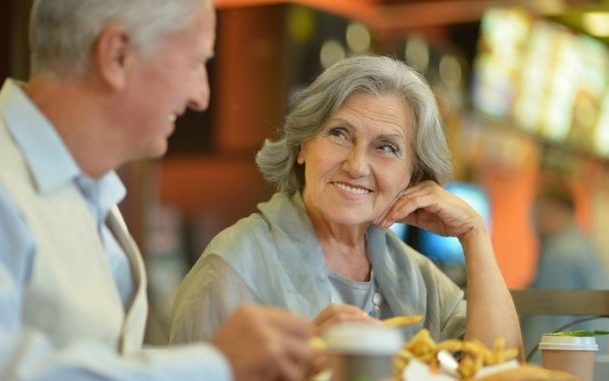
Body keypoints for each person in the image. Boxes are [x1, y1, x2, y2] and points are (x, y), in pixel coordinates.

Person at [0, 1, 314, 380]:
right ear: (117, 56)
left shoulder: (92, 193)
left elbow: (97, 358)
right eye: (196, 62)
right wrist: (215, 365)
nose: (201, 96)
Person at [170, 55, 523, 355]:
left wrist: (474, 234)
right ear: (303, 146)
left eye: (386, 147)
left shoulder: (416, 276)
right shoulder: (233, 265)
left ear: (414, 177)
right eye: (339, 134)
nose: (356, 165)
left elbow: (500, 369)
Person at [522, 181, 609, 360]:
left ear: (548, 210)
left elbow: (547, 332)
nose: (533, 224)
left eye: (536, 214)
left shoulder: (560, 255)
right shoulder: (584, 246)